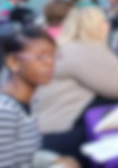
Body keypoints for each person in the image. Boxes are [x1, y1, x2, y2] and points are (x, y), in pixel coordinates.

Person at [34, 7, 118, 165]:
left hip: (37, 136)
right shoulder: (89, 51)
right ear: (99, 26)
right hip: (60, 137)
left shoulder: (61, 48)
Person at [0, 27, 79, 168]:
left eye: (53, 56)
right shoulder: (5, 112)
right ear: (13, 62)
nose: (50, 63)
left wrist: (52, 160)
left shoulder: (31, 102)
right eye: (40, 57)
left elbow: (26, 157)